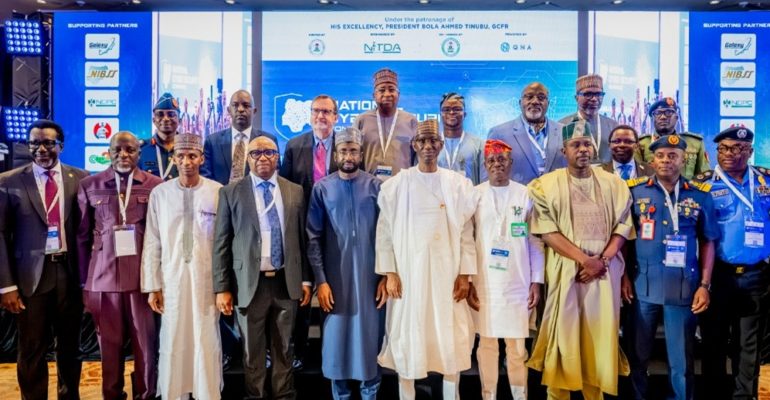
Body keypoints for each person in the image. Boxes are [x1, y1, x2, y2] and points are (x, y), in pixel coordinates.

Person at [525, 120, 634, 399]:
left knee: (600, 335)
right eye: (576, 145)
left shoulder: (614, 184)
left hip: (604, 273)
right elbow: (546, 231)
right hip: (566, 271)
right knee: (564, 335)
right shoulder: (544, 186)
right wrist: (586, 261)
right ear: (564, 151)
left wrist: (602, 261)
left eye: (587, 144)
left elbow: (623, 227)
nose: (583, 149)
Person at [376, 119, 477, 400]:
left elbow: (466, 234)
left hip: (448, 276)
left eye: (433, 141)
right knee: (409, 338)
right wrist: (390, 273)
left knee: (450, 339)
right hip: (410, 276)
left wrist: (465, 275)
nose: (428, 146)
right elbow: (384, 233)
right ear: (414, 145)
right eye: (423, 141)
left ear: (441, 145)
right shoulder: (397, 185)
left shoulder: (458, 185)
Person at [212, 136, 312, 400]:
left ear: (278, 157)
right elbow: (221, 243)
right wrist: (222, 288)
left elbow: (302, 239)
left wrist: (305, 280)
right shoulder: (230, 192)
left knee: (284, 348)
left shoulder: (294, 191)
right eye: (256, 153)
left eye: (269, 152)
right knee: (252, 352)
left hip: (285, 281)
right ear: (247, 158)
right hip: (248, 284)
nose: (263, 157)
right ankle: (254, 396)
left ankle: (284, 395)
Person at [624, 135, 719, 400]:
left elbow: (708, 241)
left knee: (682, 362)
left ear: (684, 159)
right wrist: (623, 277)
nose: (666, 160)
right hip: (643, 286)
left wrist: (705, 285)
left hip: (683, 287)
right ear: (652, 160)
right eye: (661, 155)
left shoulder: (700, 194)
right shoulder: (635, 192)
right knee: (637, 357)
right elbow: (624, 239)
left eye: (673, 155)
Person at [0, 119, 89, 400]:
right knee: (32, 348)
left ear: (61, 145)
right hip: (30, 279)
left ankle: (69, 396)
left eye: (48, 143)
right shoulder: (8, 181)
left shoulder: (82, 178)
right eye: (35, 143)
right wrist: (6, 286)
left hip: (70, 274)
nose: (41, 149)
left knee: (70, 347)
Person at [77, 131, 162, 400]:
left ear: (139, 153)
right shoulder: (90, 185)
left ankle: (146, 395)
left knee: (146, 346)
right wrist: (84, 282)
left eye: (130, 150)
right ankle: (112, 395)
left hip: (142, 280)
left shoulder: (155, 185)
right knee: (109, 349)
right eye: (117, 150)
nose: (123, 155)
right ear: (108, 152)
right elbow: (82, 237)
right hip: (103, 280)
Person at [306, 127, 388, 400]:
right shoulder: (322, 188)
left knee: (369, 341)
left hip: (370, 281)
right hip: (335, 281)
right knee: (336, 343)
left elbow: (388, 235)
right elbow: (313, 237)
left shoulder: (376, 187)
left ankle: (370, 395)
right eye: (343, 151)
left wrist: (386, 276)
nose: (348, 156)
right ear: (336, 155)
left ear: (361, 154)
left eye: (353, 151)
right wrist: (321, 281)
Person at [141, 133, 223, 400]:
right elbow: (152, 241)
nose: (187, 162)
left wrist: (224, 286)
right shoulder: (160, 194)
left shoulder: (217, 192)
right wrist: (153, 286)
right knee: (174, 337)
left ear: (201, 158)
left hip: (206, 281)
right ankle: (174, 393)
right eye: (181, 156)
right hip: (172, 280)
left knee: (205, 337)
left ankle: (206, 393)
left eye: (192, 156)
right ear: (173, 159)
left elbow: (225, 242)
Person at [467, 139, 545, 400]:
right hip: (484, 282)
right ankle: (488, 395)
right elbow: (467, 240)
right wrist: (468, 280)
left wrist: (536, 281)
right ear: (485, 165)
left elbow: (535, 241)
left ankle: (520, 396)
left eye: (502, 159)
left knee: (517, 347)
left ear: (511, 163)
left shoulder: (525, 194)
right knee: (486, 345)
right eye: (491, 160)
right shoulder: (474, 195)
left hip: (518, 282)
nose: (497, 164)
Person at [697, 126, 770, 399]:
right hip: (717, 276)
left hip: (756, 276)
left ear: (749, 151)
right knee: (713, 342)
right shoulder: (703, 184)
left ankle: (744, 396)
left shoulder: (765, 180)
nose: (730, 153)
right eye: (724, 148)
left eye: (738, 148)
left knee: (748, 345)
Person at [279, 94, 340, 368]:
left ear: (336, 116)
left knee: (333, 293)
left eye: (326, 111)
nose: (321, 116)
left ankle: (333, 350)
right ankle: (299, 353)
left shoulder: (346, 145)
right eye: (316, 111)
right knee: (302, 293)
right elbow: (285, 188)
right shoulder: (295, 146)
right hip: (303, 230)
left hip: (336, 231)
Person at [487, 82, 566, 185]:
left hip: (556, 194)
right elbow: (488, 176)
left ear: (548, 103)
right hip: (516, 195)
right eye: (529, 97)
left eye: (541, 98)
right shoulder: (498, 134)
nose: (535, 101)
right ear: (520, 103)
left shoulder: (564, 131)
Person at [201, 89, 278, 185]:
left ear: (254, 111)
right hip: (219, 194)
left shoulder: (268, 141)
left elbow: (274, 176)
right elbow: (206, 179)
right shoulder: (212, 142)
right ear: (229, 110)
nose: (240, 109)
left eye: (246, 105)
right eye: (235, 105)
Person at [355, 68, 418, 180]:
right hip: (368, 185)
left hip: (402, 185)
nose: (387, 94)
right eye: (382, 90)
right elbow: (354, 154)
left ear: (398, 94)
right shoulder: (362, 120)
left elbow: (418, 157)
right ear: (374, 95)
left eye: (392, 89)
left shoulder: (411, 121)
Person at [635, 97, 709, 179]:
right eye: (658, 113)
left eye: (668, 112)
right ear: (653, 119)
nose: (663, 117)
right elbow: (636, 176)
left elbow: (703, 177)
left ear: (676, 117)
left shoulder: (694, 143)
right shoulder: (641, 144)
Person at [559, 74, 617, 163]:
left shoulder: (613, 126)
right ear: (576, 98)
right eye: (588, 94)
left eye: (598, 94)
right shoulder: (563, 126)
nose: (594, 99)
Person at [437, 92, 484, 184]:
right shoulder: (430, 145)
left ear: (464, 114)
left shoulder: (479, 145)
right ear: (440, 114)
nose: (451, 112)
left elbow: (484, 183)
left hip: (469, 193)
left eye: (457, 109)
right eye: (446, 109)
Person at [139, 93, 180, 180]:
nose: (165, 119)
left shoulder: (189, 150)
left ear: (179, 120)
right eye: (160, 114)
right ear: (154, 120)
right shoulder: (141, 149)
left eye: (171, 114)